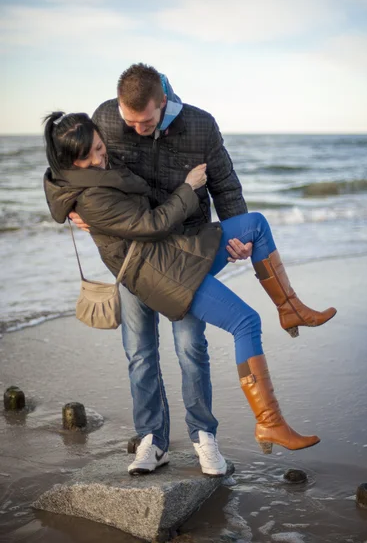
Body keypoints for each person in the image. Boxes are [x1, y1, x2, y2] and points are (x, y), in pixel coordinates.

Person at [43, 111, 337, 476]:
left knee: (255, 226)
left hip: (175, 247)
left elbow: (61, 177)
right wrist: (189, 186)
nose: (102, 156)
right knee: (231, 327)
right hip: (156, 270)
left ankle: (289, 308)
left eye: (101, 147)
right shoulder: (91, 196)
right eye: (91, 155)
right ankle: (265, 422)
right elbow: (150, 224)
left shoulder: (112, 125)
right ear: (73, 161)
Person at [69, 64, 251, 476]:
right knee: (139, 353)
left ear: (163, 104)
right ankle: (153, 440)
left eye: (145, 121)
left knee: (190, 348)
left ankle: (205, 437)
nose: (135, 128)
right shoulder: (106, 119)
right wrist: (72, 207)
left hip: (184, 255)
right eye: (128, 120)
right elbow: (73, 166)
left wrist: (239, 232)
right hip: (132, 257)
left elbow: (225, 184)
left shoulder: (200, 125)